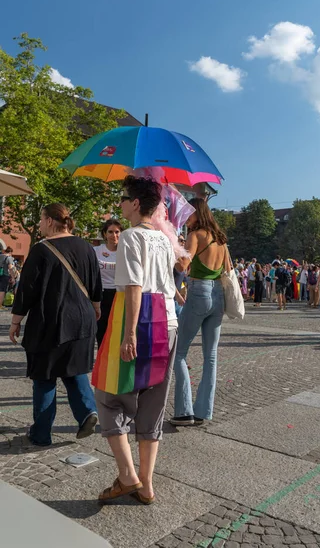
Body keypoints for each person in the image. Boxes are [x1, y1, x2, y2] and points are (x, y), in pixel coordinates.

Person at [95, 177, 178, 504]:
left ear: (135, 204)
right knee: (153, 402)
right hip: (168, 323)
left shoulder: (130, 237)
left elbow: (132, 286)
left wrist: (129, 333)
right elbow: (167, 282)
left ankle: (128, 474)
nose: (120, 202)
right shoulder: (163, 239)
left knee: (108, 394)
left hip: (140, 320)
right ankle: (146, 484)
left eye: (123, 197)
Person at [9, 203, 102, 446]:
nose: (39, 224)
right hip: (82, 320)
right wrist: (96, 307)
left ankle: (41, 434)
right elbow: (95, 283)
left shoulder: (41, 250)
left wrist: (16, 320)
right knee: (73, 370)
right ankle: (87, 412)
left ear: (50, 221)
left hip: (50, 320)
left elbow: (26, 289)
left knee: (44, 376)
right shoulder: (86, 246)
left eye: (40, 219)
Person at [171, 198, 227, 427]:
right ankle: (204, 410)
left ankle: (184, 411)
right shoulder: (221, 239)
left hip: (199, 291)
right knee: (210, 356)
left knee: (178, 352)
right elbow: (228, 270)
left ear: (197, 214)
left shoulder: (196, 235)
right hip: (218, 295)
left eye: (188, 214)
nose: (186, 218)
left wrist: (173, 255)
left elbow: (183, 265)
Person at [93, 219, 124, 347]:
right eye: (110, 232)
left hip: (119, 295)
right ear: (104, 234)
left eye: (117, 232)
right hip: (100, 294)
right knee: (101, 331)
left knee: (117, 331)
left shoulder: (125, 251)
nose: (114, 235)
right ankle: (101, 361)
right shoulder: (96, 251)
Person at [174, 235, 187, 318]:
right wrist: (177, 295)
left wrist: (184, 292)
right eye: (181, 240)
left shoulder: (182, 260)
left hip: (179, 300)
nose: (183, 242)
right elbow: (168, 279)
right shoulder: (173, 258)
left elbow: (183, 280)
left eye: (184, 240)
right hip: (171, 299)